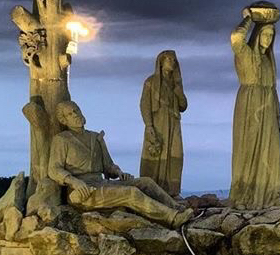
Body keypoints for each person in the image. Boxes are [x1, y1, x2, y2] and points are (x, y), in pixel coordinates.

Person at [48, 101, 188, 227]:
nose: (75, 115)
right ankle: (172, 218)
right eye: (70, 114)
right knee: (130, 193)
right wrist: (73, 182)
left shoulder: (95, 137)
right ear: (64, 120)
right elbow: (54, 169)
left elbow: (108, 165)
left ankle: (177, 208)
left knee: (146, 182)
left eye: (76, 110)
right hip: (84, 192)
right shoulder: (62, 140)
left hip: (101, 183)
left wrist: (118, 173)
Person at [229, 3, 280, 209]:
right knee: (248, 150)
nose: (268, 40)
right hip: (249, 103)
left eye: (271, 36)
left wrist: (278, 115)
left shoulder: (269, 61)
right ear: (258, 35)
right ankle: (244, 196)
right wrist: (249, 18)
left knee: (271, 151)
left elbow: (273, 88)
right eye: (265, 34)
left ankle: (270, 194)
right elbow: (236, 37)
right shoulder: (246, 54)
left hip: (268, 106)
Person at [139, 50, 187, 196]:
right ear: (161, 62)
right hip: (158, 123)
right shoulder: (151, 82)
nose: (172, 62)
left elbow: (183, 106)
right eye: (169, 59)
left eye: (174, 60)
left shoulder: (175, 84)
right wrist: (149, 125)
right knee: (156, 154)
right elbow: (144, 104)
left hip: (174, 124)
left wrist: (179, 93)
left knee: (175, 153)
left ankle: (172, 191)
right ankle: (151, 191)